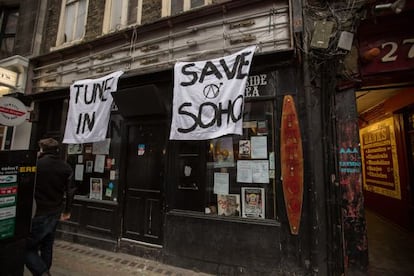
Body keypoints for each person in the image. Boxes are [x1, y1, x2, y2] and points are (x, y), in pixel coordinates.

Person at [25, 138, 75, 276]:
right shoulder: (65, 167)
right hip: (55, 211)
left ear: (42, 149)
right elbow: (70, 191)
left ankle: (42, 272)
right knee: (47, 245)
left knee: (26, 247)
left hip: (37, 211)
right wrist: (67, 210)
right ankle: (44, 269)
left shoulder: (36, 165)